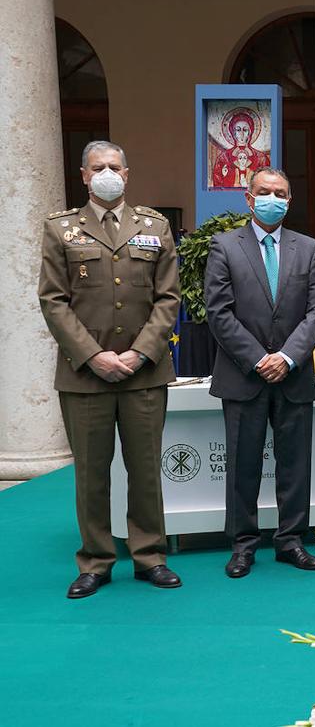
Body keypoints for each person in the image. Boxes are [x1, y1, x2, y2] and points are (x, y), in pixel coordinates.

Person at [37, 140, 182, 598]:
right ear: (83, 175)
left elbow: (168, 298)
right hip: (84, 375)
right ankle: (96, 560)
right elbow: (53, 300)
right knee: (91, 473)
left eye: (114, 167)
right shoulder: (61, 229)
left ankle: (149, 556)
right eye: (97, 167)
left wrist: (139, 353)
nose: (106, 173)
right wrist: (95, 355)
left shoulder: (155, 226)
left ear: (127, 172)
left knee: (145, 470)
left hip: (145, 373)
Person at [204, 167, 315, 577]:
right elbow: (218, 312)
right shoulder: (224, 246)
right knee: (243, 465)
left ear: (289, 200)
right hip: (245, 376)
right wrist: (259, 358)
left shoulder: (308, 248)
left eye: (280, 192)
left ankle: (291, 541)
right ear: (248, 197)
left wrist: (288, 357)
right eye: (264, 191)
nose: (272, 198)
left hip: (293, 375)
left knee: (295, 465)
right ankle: (243, 544)